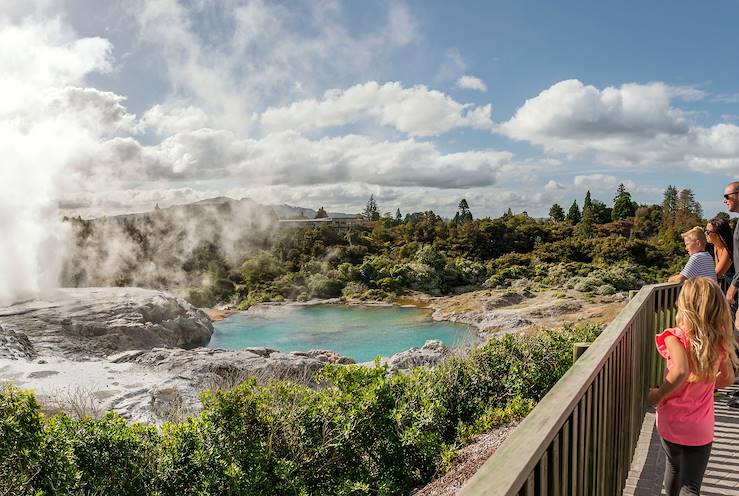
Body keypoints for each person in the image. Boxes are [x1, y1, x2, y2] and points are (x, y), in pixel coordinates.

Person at [648, 277, 738, 496]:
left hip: (671, 421)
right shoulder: (718, 342)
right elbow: (728, 379)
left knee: (674, 467)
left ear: (685, 306)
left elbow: (680, 370)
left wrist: (657, 395)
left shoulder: (675, 338)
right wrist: (707, 382)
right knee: (691, 485)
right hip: (701, 427)